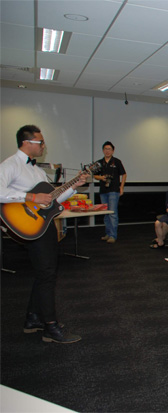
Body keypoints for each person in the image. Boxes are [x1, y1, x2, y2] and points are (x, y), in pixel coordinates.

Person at [0, 125, 89, 343]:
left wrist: (74, 186)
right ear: (26, 142)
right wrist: (30, 197)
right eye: (40, 142)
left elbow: (52, 199)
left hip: (43, 225)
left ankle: (33, 319)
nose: (43, 146)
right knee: (47, 274)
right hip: (29, 225)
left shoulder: (38, 171)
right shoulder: (10, 165)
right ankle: (50, 326)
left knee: (45, 273)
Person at [94, 141, 126, 243]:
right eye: (105, 149)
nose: (107, 151)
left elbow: (124, 174)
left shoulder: (117, 162)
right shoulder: (99, 162)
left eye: (109, 149)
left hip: (114, 190)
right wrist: (101, 178)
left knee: (112, 213)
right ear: (103, 150)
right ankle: (108, 233)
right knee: (106, 213)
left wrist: (122, 187)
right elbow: (94, 175)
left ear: (113, 151)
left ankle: (113, 235)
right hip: (103, 190)